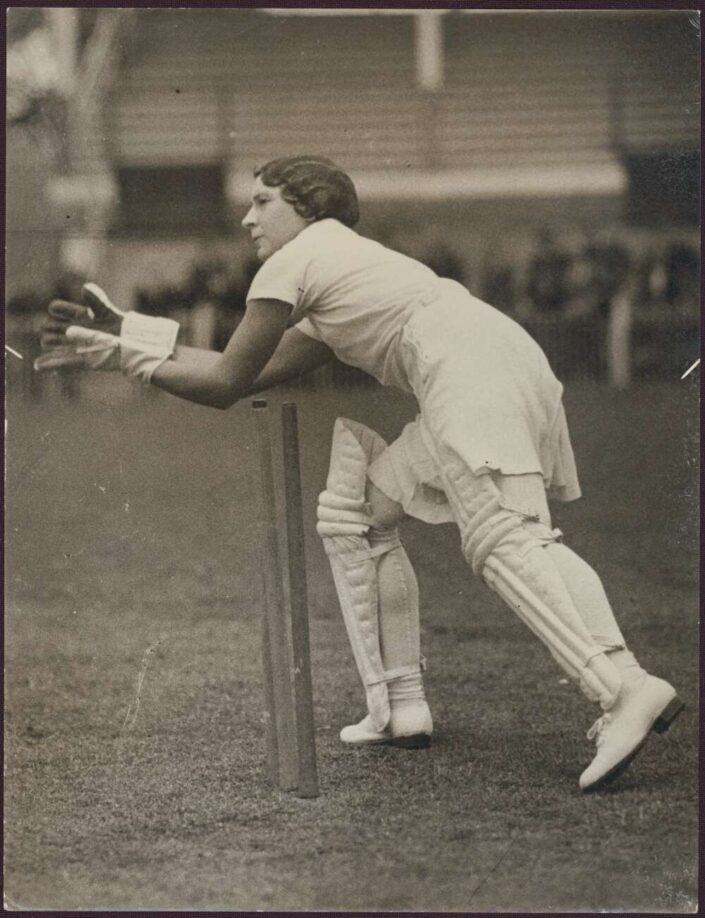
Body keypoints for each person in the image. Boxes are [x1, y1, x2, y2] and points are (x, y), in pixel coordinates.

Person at [36, 155, 683, 792]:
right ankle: (399, 705)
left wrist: (121, 360)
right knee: (359, 511)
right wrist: (128, 333)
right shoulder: (340, 267)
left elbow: (225, 382)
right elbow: (248, 367)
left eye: (263, 201)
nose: (247, 218)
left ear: (309, 206)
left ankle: (621, 687)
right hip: (485, 353)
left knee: (504, 539)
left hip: (465, 365)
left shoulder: (295, 259)